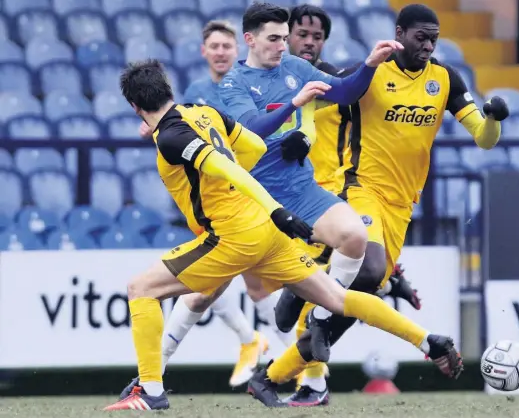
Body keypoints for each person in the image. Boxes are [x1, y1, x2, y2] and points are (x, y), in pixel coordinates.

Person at [104, 59, 464, 411]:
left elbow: (226, 166)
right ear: (167, 89)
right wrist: (263, 207)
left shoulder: (170, 136)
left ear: (135, 107)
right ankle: (427, 341)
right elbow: (255, 147)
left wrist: (275, 207)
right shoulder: (204, 113)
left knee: (141, 289)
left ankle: (151, 391)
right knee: (335, 298)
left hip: (234, 236)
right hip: (264, 229)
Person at [251, 3, 510, 407]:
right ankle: (312, 297)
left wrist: (493, 118)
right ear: (400, 33)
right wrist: (294, 131)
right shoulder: (370, 73)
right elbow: (314, 100)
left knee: (362, 290)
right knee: (366, 270)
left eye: (434, 39)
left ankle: (273, 374)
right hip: (361, 188)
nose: (427, 46)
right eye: (420, 37)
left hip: (402, 205)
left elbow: (483, 137)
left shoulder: (445, 79)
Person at [138, 20, 296, 392]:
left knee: (232, 287)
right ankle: (287, 360)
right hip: (216, 203)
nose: (222, 52)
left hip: (254, 192)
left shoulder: (248, 83)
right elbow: (177, 140)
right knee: (217, 285)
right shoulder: (194, 95)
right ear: (204, 52)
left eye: (227, 46)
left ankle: (154, 377)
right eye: (215, 47)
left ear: (238, 48)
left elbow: (256, 134)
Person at [279, 4, 422, 406]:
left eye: (316, 36)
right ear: (286, 35)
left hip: (330, 196)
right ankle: (309, 378)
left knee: (315, 288)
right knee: (306, 286)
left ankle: (313, 383)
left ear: (325, 40)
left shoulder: (338, 82)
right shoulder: (270, 84)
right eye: (301, 34)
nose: (309, 42)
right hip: (286, 195)